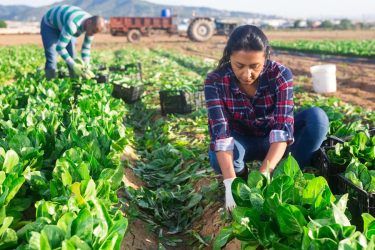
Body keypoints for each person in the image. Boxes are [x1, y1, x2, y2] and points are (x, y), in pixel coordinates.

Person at [204, 25, 329, 211]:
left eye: (255, 66)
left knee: (317, 119)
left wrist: (264, 175)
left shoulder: (280, 75)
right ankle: (242, 176)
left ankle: (283, 176)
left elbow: (282, 129)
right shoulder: (215, 81)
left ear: (265, 57)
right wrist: (231, 184)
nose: (247, 75)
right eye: (239, 66)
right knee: (216, 157)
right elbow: (221, 135)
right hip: (241, 142)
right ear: (229, 56)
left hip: (274, 142)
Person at [40, 5, 105, 80]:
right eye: (93, 31)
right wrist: (74, 65)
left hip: (64, 24)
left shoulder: (92, 26)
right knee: (52, 57)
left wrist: (86, 66)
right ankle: (50, 82)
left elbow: (86, 48)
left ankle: (74, 83)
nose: (92, 34)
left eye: (95, 33)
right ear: (89, 22)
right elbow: (60, 47)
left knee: (72, 56)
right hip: (50, 25)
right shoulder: (73, 24)